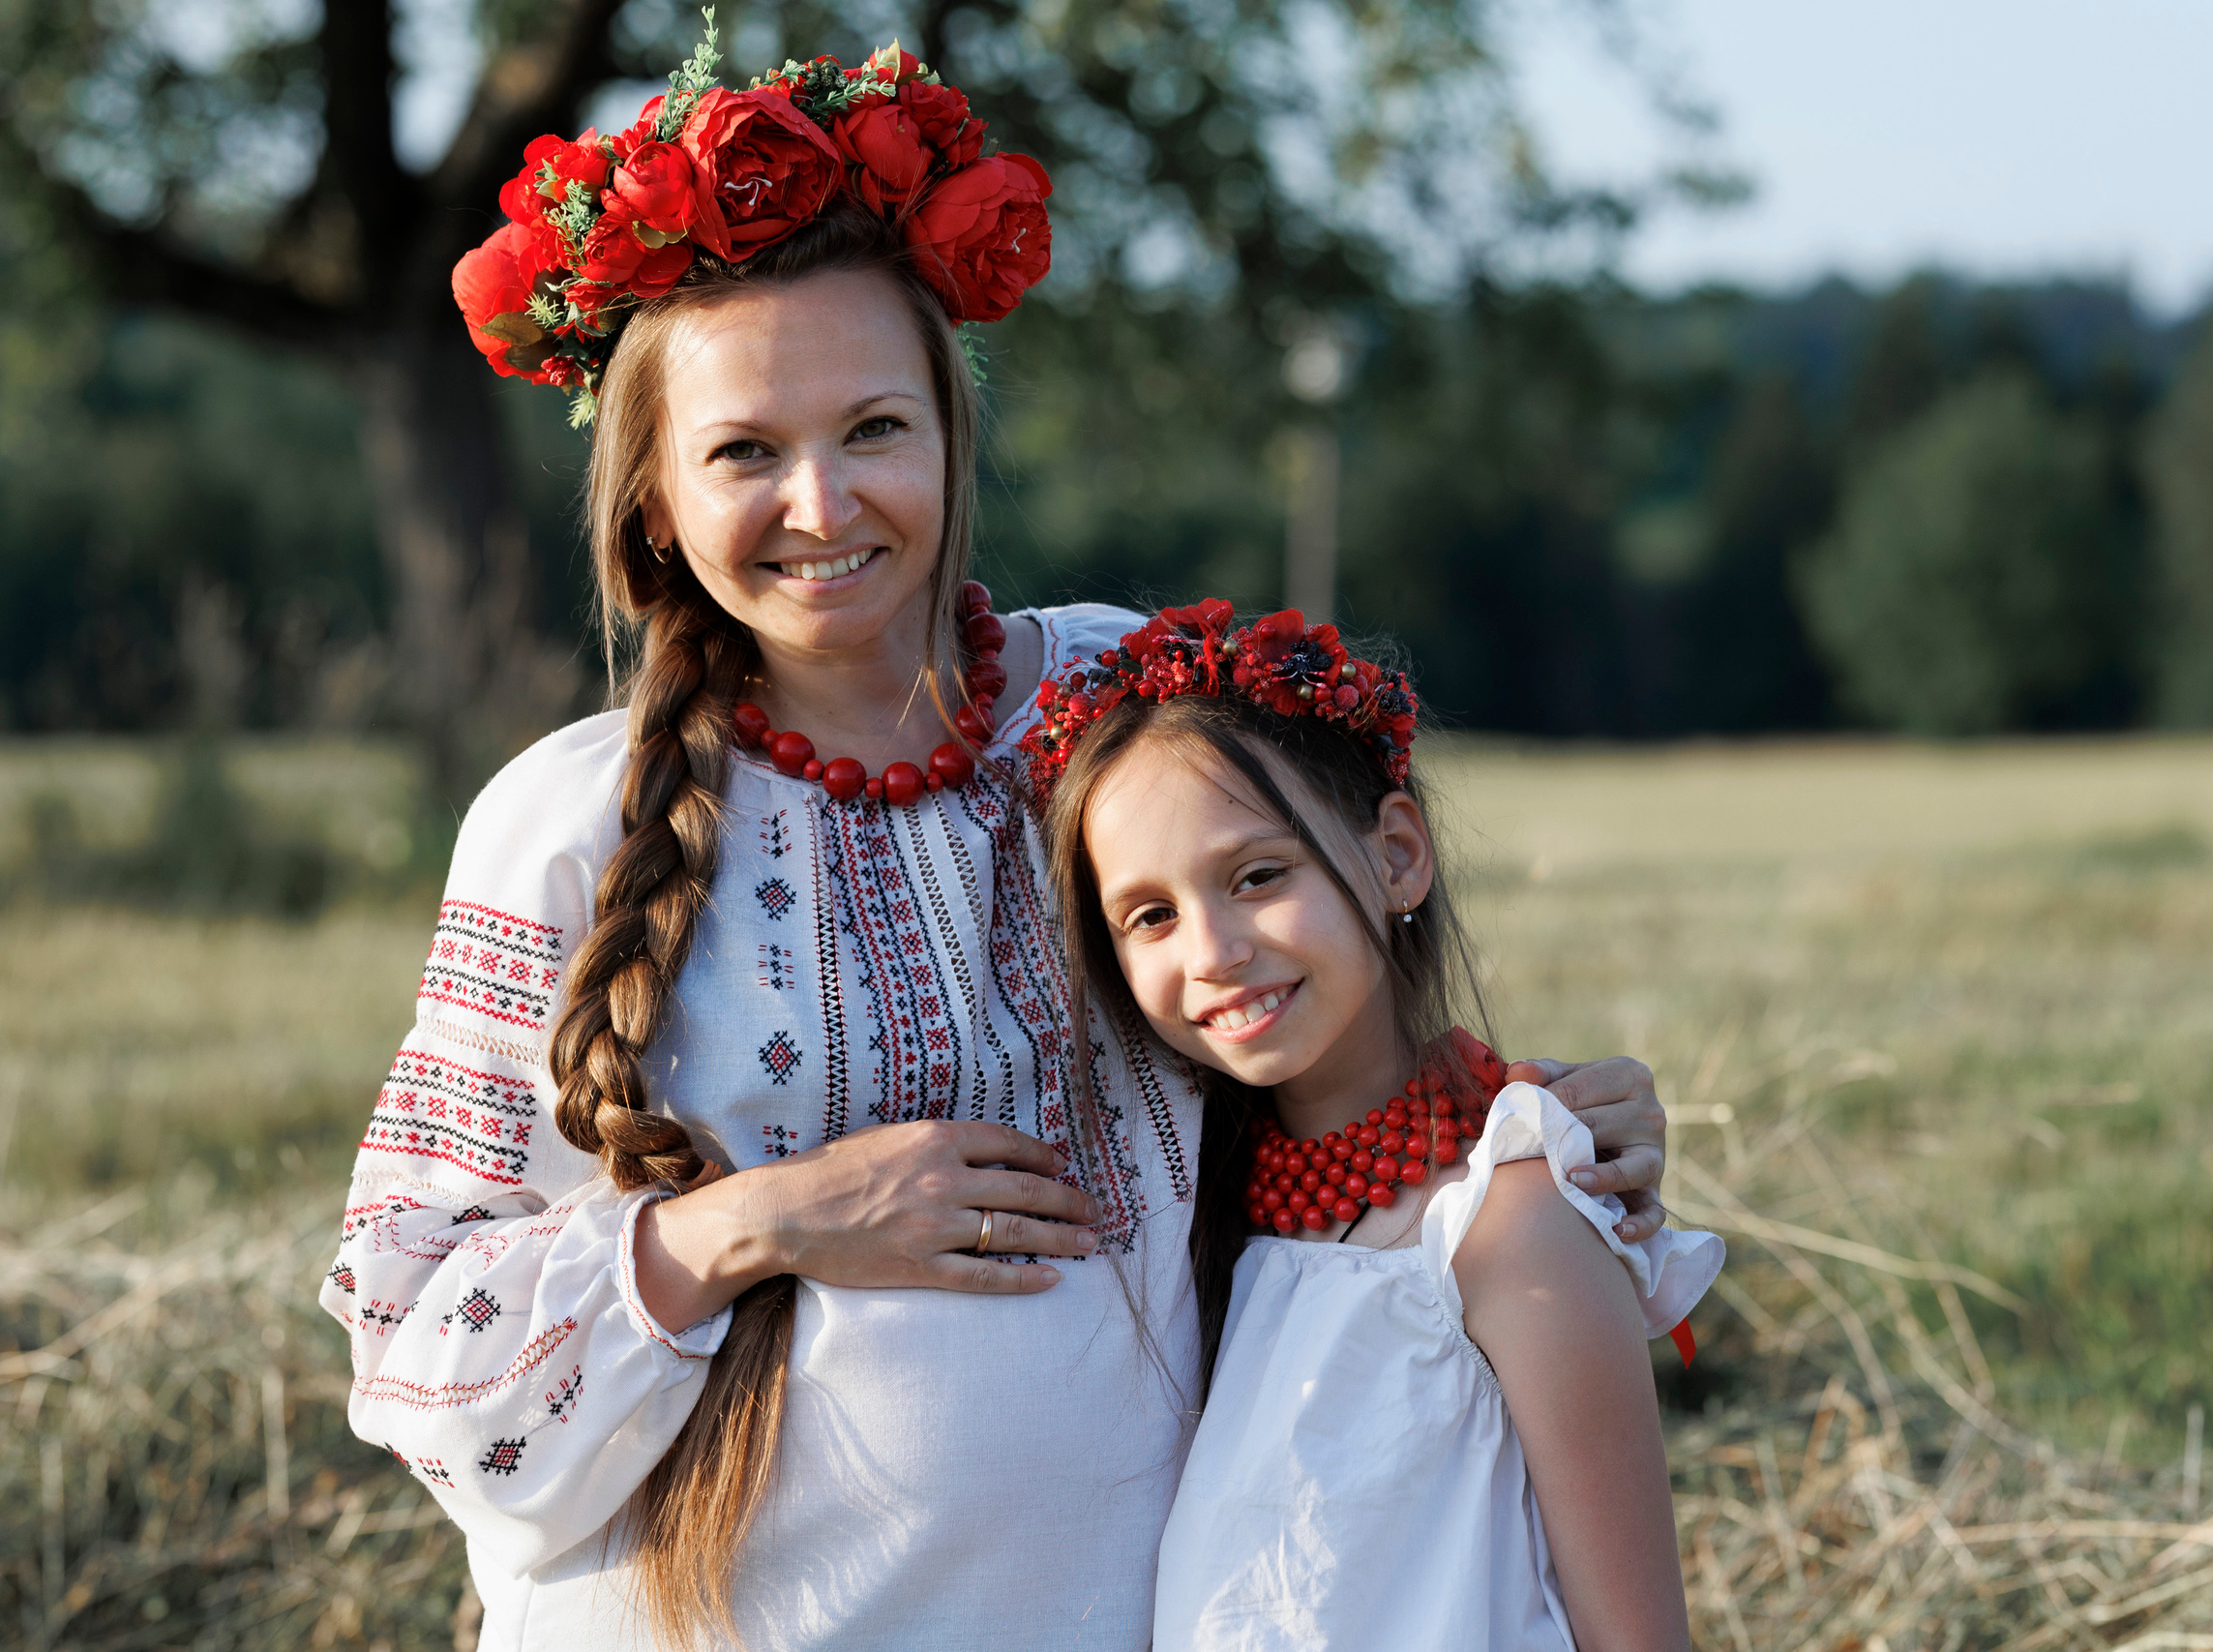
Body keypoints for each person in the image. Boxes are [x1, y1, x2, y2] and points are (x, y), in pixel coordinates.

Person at [317, 35, 1676, 1652]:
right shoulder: (565, 819)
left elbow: (1310, 1029)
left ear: (953, 438)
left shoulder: (1117, 703)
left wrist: (1515, 1127)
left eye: (875, 427)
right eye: (746, 450)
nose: (823, 502)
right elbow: (414, 1340)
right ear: (656, 504)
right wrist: (763, 1219)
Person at [1026, 602, 1722, 1651]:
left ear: (1397, 854)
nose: (1210, 950)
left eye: (1258, 875)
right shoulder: (1191, 1221)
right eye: (1150, 915)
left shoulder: (1510, 1225)